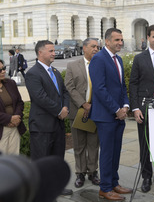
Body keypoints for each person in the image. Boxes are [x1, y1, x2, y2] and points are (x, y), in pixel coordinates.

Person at [89, 28, 132, 201]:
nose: (120, 43)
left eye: (121, 40)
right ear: (107, 41)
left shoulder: (119, 60)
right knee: (107, 153)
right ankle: (105, 188)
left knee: (115, 151)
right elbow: (99, 89)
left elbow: (122, 87)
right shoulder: (98, 59)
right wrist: (116, 109)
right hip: (106, 116)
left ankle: (114, 183)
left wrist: (126, 106)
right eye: (117, 40)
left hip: (119, 115)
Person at [25, 40, 72, 196]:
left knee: (57, 159)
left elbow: (64, 92)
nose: (54, 53)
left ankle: (56, 187)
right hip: (42, 126)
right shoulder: (33, 73)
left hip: (57, 125)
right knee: (41, 161)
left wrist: (65, 108)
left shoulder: (56, 72)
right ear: (40, 53)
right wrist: (59, 110)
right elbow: (40, 97)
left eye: (54, 50)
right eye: (51, 51)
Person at [129, 24, 154, 192]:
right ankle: (146, 177)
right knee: (145, 144)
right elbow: (133, 84)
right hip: (144, 109)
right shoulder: (139, 58)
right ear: (148, 37)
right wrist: (135, 108)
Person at [64, 38, 100, 188]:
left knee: (93, 144)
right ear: (84, 48)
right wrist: (83, 104)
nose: (96, 49)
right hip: (77, 111)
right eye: (93, 46)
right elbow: (69, 86)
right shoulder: (72, 65)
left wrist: (92, 106)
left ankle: (93, 172)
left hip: (96, 111)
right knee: (79, 145)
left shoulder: (100, 65)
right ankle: (80, 173)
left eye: (97, 47)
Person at [0, 60, 26, 154]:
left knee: (14, 160)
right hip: (2, 129)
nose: (3, 71)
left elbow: (19, 102)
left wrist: (17, 117)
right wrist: (9, 119)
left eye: (3, 68)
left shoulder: (10, 83)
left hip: (15, 127)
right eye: (0, 70)